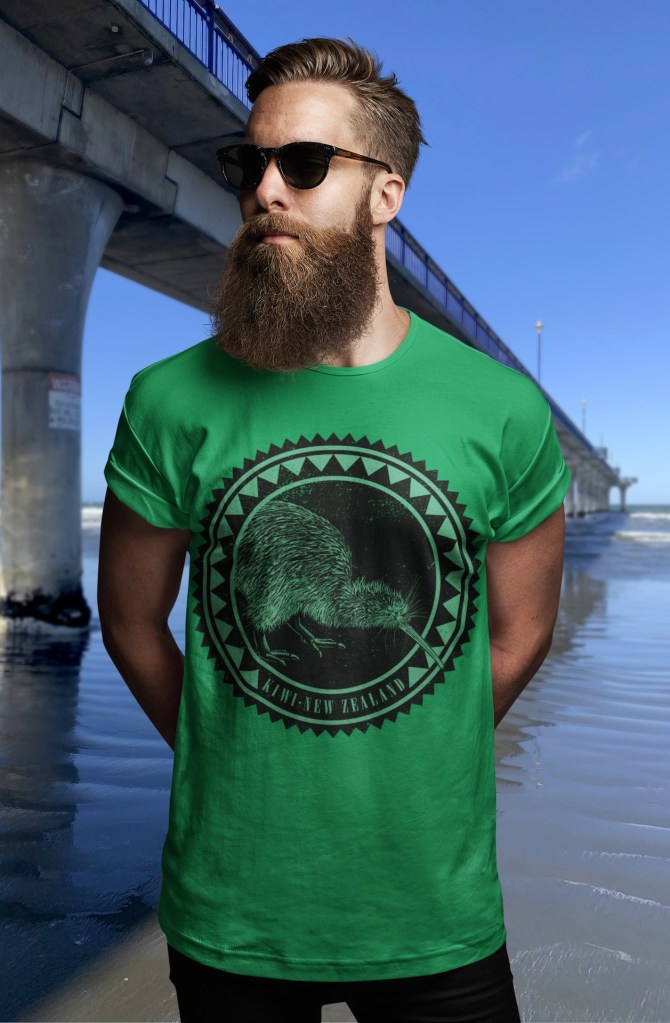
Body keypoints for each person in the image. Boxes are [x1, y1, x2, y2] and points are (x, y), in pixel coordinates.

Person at [98, 37, 569, 1023]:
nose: (265, 190)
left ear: (385, 195)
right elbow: (135, 622)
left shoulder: (500, 410)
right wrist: (226, 750)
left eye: (304, 164)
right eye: (250, 163)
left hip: (431, 909)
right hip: (232, 909)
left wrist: (419, 756)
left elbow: (521, 631)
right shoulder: (169, 399)